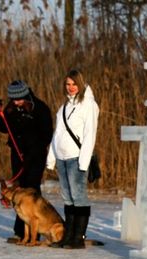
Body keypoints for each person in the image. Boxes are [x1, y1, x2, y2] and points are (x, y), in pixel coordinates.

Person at [0, 80, 54, 242]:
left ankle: (36, 231)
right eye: (13, 99)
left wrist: (33, 153)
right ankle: (20, 231)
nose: (16, 102)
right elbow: (4, 127)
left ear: (26, 95)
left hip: (35, 155)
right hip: (17, 154)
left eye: (19, 99)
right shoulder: (12, 109)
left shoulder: (40, 108)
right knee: (19, 191)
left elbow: (47, 134)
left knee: (32, 191)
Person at [46, 69, 100, 249]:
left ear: (81, 84)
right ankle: (67, 237)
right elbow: (58, 134)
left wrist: (83, 163)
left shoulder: (88, 105)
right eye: (68, 84)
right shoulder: (64, 107)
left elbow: (89, 134)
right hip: (62, 158)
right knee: (67, 198)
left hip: (77, 158)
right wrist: (51, 158)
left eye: (74, 84)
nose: (70, 88)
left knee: (79, 197)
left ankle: (78, 238)